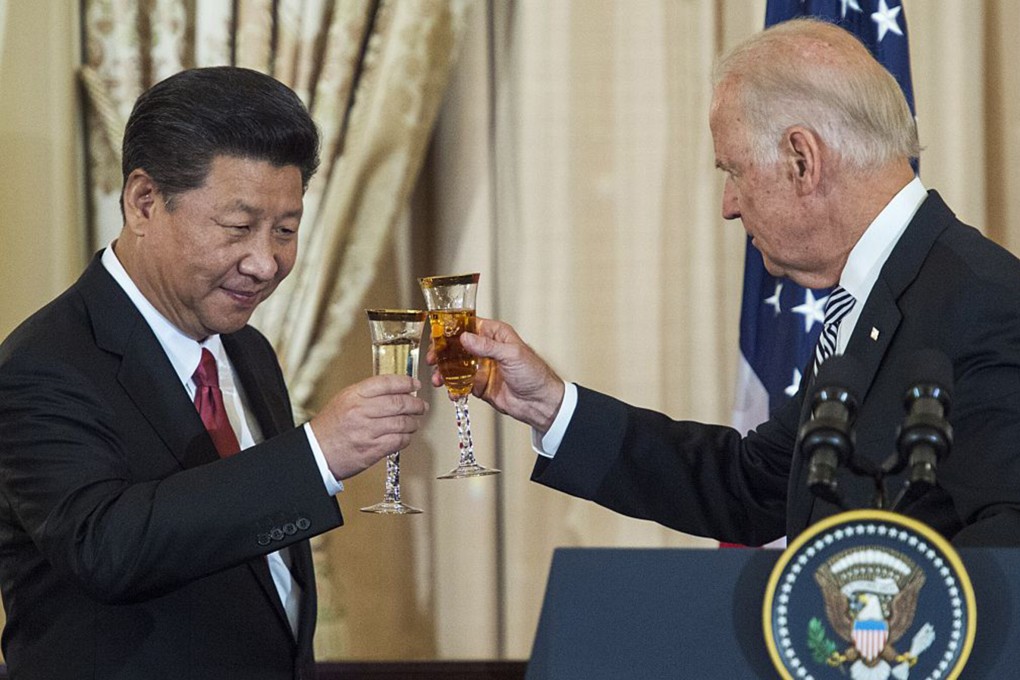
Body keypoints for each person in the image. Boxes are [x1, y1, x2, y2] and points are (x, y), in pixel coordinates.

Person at [430, 19, 1020, 548]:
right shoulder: (875, 293)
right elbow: (753, 485)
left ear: (801, 160)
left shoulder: (982, 299)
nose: (729, 206)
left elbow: (1008, 542)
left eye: (734, 170)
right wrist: (551, 406)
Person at [0, 67, 427, 679]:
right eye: (237, 228)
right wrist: (316, 456)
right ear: (144, 201)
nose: (265, 262)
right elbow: (105, 547)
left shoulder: (248, 351)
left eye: (286, 230)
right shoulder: (45, 364)